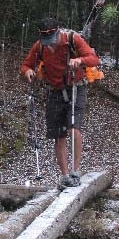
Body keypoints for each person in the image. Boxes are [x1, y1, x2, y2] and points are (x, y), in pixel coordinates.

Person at [21, 17, 101, 189]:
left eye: (52, 40)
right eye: (46, 41)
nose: (50, 44)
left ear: (58, 32)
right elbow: (27, 64)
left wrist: (79, 60)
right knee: (59, 135)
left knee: (74, 129)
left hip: (76, 88)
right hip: (54, 91)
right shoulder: (40, 46)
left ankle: (76, 171)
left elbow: (94, 59)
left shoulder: (72, 39)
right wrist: (28, 71)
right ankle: (65, 176)